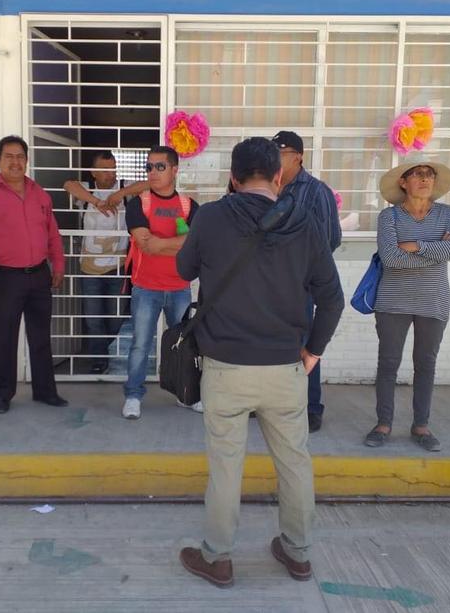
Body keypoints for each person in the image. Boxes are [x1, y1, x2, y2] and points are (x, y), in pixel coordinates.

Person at [175, 137, 344, 588]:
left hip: (226, 368)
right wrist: (314, 351)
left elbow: (182, 270)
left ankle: (218, 558)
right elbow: (332, 297)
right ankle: (298, 553)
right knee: (294, 463)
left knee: (226, 466)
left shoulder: (210, 217)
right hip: (285, 369)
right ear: (277, 177)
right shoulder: (304, 221)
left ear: (232, 178)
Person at [364, 159, 450, 452]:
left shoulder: (448, 214)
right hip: (393, 300)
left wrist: (416, 245)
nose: (424, 179)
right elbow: (391, 259)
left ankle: (421, 425)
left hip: (433, 300)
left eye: (429, 174)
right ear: (403, 183)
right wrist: (436, 248)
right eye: (417, 174)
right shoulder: (389, 217)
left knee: (426, 364)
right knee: (388, 364)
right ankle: (383, 423)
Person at [0, 135, 68, 414]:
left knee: (41, 336)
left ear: (26, 160)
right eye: (9, 156)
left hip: (39, 275)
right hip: (5, 277)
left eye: (20, 157)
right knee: (5, 337)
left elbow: (53, 234)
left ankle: (45, 391)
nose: (15, 162)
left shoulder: (40, 194)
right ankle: (3, 394)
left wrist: (58, 266)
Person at [121, 145, 201, 420]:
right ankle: (133, 395)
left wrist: (163, 243)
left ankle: (186, 394)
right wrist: (178, 244)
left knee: (186, 345)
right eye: (149, 167)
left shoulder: (189, 205)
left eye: (160, 167)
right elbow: (146, 245)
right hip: (146, 287)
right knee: (140, 344)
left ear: (175, 170)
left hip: (179, 287)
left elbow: (191, 245)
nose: (152, 172)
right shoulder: (138, 204)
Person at [272, 130, 342, 433]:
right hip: (266, 284)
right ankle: (269, 403)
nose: (274, 160)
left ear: (298, 156)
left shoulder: (316, 192)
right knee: (269, 344)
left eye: (281, 153)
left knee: (304, 345)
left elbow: (329, 240)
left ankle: (311, 407)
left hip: (301, 285)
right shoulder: (267, 189)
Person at [63, 151, 128, 374]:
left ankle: (102, 347)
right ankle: (99, 358)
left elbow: (147, 184)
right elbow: (68, 184)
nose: (109, 173)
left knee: (117, 316)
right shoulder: (86, 190)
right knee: (93, 318)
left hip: (119, 268)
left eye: (112, 168)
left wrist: (121, 193)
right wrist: (97, 201)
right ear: (93, 171)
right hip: (90, 269)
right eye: (103, 169)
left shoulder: (124, 188)